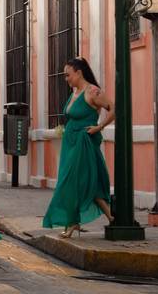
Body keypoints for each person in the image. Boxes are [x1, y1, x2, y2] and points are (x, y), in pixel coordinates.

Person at [42, 57, 115, 237]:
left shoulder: (92, 91)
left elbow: (113, 108)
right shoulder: (75, 93)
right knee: (74, 182)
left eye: (68, 75)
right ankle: (78, 221)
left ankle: (108, 217)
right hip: (70, 143)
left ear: (78, 73)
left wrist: (100, 126)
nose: (66, 78)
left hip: (84, 143)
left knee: (80, 181)